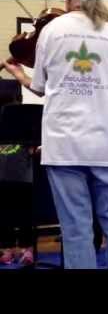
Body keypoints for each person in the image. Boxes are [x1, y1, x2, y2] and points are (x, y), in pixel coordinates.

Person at [1, 0, 108, 269]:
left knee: (76, 232)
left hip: (64, 147)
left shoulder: (52, 30)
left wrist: (19, 74)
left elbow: (41, 87)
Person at [0, 92, 35, 266]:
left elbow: (34, 145)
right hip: (2, 175)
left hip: (22, 176)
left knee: (25, 214)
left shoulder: (24, 120)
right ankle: (6, 249)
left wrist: (34, 147)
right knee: (3, 214)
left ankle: (26, 248)